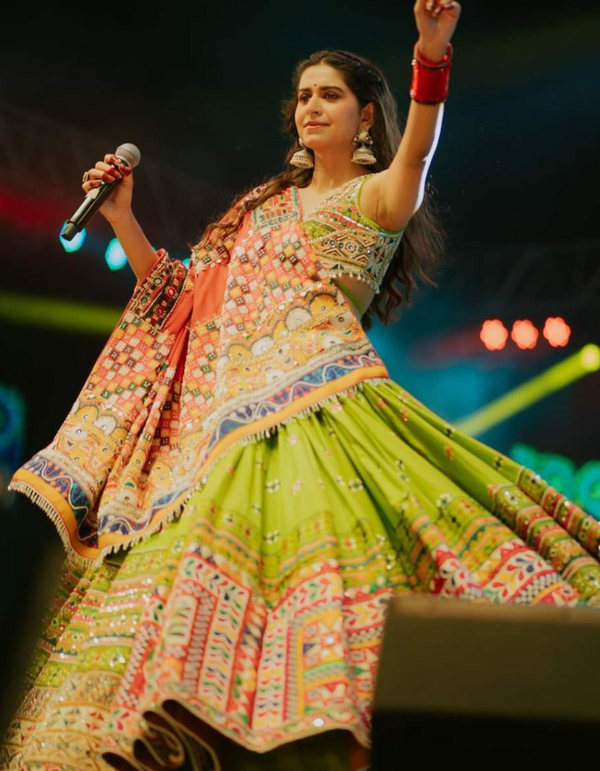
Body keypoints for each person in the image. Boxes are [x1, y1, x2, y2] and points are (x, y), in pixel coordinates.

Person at [3, 1, 600, 770]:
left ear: (363, 120)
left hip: (319, 416)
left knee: (342, 587)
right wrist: (121, 216)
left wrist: (430, 57)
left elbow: (418, 153)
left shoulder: (376, 196)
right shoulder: (256, 215)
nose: (310, 106)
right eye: (303, 95)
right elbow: (184, 308)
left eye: (329, 95)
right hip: (213, 447)